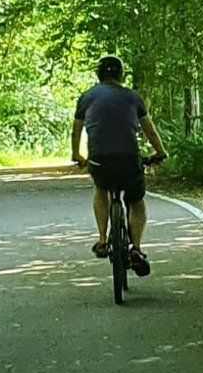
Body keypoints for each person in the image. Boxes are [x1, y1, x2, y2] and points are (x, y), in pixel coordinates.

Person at [71, 56, 167, 276]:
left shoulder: (87, 97)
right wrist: (160, 152)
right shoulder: (133, 97)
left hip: (100, 160)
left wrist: (77, 154)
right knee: (136, 200)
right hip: (128, 160)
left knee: (101, 189)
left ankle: (103, 239)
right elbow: (150, 130)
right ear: (121, 75)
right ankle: (136, 248)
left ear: (99, 75)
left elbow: (77, 129)